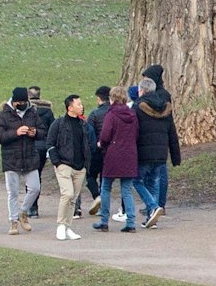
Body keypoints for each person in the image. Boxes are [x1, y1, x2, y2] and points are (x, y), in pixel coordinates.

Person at [0, 87, 44, 236]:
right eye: (19, 102)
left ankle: (23, 212)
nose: (22, 104)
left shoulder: (32, 112)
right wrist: (15, 133)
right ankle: (13, 221)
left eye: (24, 101)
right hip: (11, 158)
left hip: (30, 157)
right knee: (12, 192)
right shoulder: (3, 115)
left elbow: (42, 131)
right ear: (14, 102)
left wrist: (35, 133)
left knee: (35, 188)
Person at [94, 86, 144, 233]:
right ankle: (131, 222)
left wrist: (101, 144)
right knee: (127, 190)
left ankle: (104, 220)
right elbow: (136, 134)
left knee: (106, 187)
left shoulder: (111, 114)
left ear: (111, 98)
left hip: (113, 153)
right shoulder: (132, 114)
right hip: (129, 153)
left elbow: (105, 135)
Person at [43, 94, 92, 242]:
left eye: (81, 104)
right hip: (64, 164)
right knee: (67, 194)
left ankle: (68, 226)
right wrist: (57, 162)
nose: (81, 106)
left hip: (80, 167)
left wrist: (85, 164)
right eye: (78, 104)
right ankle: (60, 225)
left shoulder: (83, 124)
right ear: (70, 107)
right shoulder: (59, 124)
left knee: (73, 198)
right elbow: (50, 143)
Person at [134, 74, 179, 229]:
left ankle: (152, 206)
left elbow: (134, 130)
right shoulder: (165, 107)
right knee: (152, 182)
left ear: (142, 91)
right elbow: (171, 132)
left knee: (137, 180)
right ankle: (150, 217)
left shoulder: (138, 106)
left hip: (144, 151)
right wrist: (175, 155)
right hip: (161, 152)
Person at [24, 86, 54, 218]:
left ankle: (31, 206)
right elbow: (52, 129)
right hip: (42, 147)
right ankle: (34, 207)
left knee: (29, 177)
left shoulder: (27, 111)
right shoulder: (48, 111)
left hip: (30, 146)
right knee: (38, 176)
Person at [83, 85, 112, 217]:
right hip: (110, 151)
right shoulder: (114, 112)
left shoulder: (94, 114)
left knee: (90, 176)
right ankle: (104, 205)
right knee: (105, 180)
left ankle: (97, 196)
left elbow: (88, 133)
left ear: (99, 99)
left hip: (96, 151)